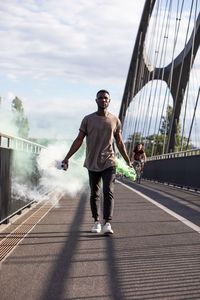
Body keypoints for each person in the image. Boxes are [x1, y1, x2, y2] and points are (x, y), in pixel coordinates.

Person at [62, 89, 132, 235]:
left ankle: (107, 223)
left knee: (108, 191)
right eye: (100, 98)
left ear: (109, 101)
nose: (103, 100)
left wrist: (127, 161)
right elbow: (79, 140)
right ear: (96, 101)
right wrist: (67, 157)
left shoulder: (115, 120)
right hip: (92, 162)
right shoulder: (87, 119)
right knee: (94, 193)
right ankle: (96, 222)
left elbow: (119, 142)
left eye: (106, 98)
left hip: (109, 161)